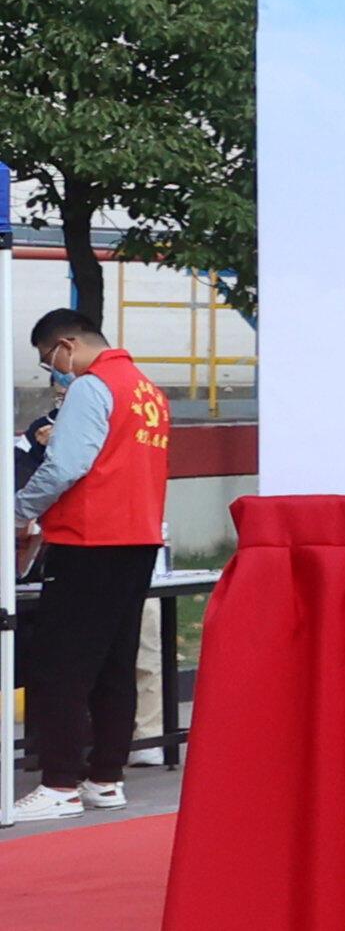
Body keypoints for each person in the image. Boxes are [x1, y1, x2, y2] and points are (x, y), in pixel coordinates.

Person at [9, 308, 169, 821]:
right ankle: (105, 778)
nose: (54, 370)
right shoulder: (147, 390)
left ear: (66, 345)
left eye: (49, 360)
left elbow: (65, 466)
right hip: (138, 539)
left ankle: (59, 784)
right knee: (115, 666)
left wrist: (18, 511)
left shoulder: (92, 387)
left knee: (61, 666)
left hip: (89, 540)